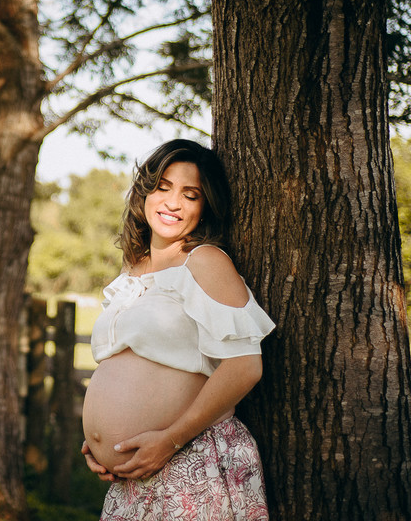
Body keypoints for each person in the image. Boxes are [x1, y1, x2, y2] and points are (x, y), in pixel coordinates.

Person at [80, 139, 275, 520]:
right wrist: (99, 443)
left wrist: (168, 441)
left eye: (190, 195)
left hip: (189, 465)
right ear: (144, 193)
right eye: (163, 187)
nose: (173, 203)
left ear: (205, 207)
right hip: (133, 476)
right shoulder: (133, 269)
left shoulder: (204, 261)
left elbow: (245, 366)